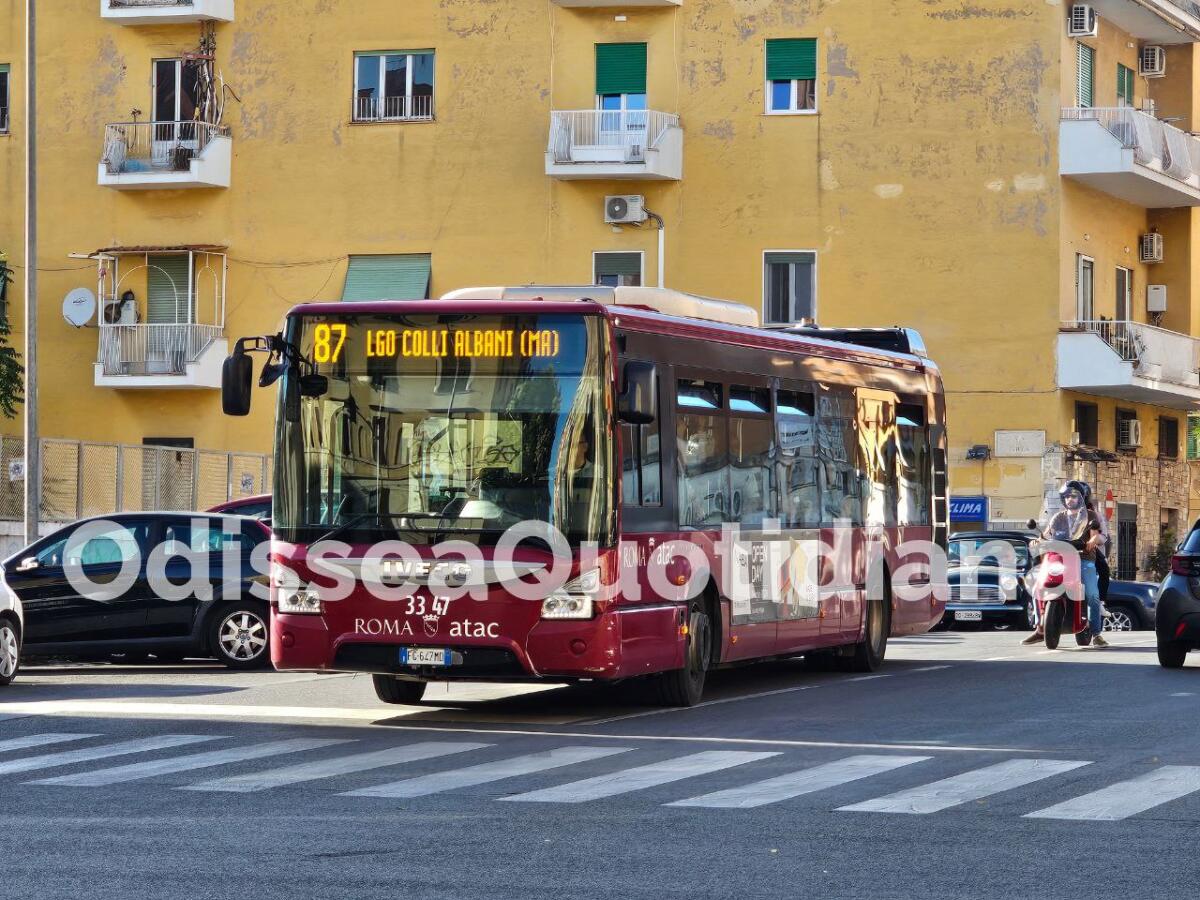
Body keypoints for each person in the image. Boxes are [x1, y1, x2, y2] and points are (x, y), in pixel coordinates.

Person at [1021, 480, 1108, 647]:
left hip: (1083, 558)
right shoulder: (1058, 517)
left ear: (1081, 497)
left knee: (1092, 594)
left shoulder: (1091, 516)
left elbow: (1097, 535)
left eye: (1074, 496)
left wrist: (1094, 539)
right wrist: (1036, 541)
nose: (1070, 499)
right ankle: (1040, 628)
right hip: (1059, 558)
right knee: (1037, 587)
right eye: (1067, 496)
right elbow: (1046, 535)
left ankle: (1096, 634)